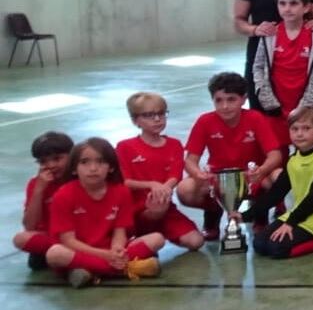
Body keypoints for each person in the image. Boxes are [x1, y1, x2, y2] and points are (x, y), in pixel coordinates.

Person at [45, 138, 164, 288]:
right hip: (79, 251)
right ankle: (126, 269)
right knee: (55, 254)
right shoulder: (63, 195)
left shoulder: (121, 191)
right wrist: (106, 256)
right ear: (74, 168)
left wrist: (117, 250)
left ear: (111, 167)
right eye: (84, 162)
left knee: (157, 239)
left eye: (100, 161)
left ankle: (91, 271)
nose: (93, 168)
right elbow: (68, 241)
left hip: (108, 249)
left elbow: (120, 232)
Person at [178, 72, 284, 239]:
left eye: (231, 99)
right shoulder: (205, 121)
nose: (225, 106)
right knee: (185, 189)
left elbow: (275, 155)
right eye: (219, 100)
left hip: (251, 177)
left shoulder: (255, 118)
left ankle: (260, 215)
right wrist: (198, 174)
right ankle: (214, 212)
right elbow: (190, 160)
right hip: (218, 179)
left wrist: (262, 170)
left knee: (279, 177)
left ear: (243, 99)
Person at [237, 108, 313, 259]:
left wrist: (290, 223)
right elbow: (276, 193)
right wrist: (245, 215)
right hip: (298, 214)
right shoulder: (293, 159)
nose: (299, 134)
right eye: (295, 129)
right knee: (260, 244)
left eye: (306, 128)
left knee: (277, 249)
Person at [253, 0, 313, 153]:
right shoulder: (270, 35)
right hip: (276, 109)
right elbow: (258, 67)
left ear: (306, 7)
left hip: (305, 110)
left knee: (306, 156)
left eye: (293, 3)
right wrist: (264, 95)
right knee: (278, 157)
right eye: (282, 3)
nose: (287, 8)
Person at [116, 93, 204, 252]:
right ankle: (141, 241)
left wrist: (164, 189)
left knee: (196, 241)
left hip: (166, 209)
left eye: (161, 113)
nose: (157, 119)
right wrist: (152, 185)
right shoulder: (124, 147)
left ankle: (157, 235)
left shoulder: (174, 145)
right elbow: (125, 181)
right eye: (149, 115)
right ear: (135, 121)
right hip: (136, 213)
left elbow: (175, 176)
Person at [13, 131, 73, 270]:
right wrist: (39, 191)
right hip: (53, 236)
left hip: (79, 235)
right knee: (20, 239)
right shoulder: (36, 184)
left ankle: (64, 257)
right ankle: (62, 255)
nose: (50, 165)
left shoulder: (81, 179)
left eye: (57, 158)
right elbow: (30, 226)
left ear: (72, 156)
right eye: (43, 161)